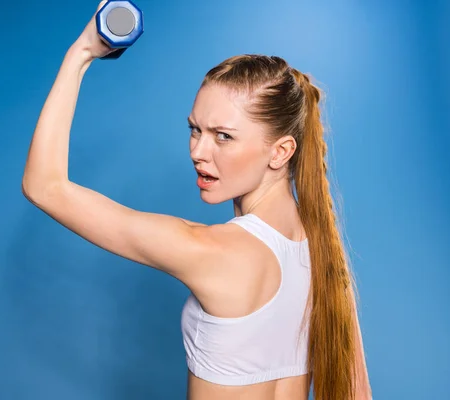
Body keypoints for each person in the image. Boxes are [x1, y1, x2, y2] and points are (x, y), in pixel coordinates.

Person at [22, 2, 372, 399]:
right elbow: (359, 393)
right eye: (195, 130)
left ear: (280, 152)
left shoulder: (213, 251)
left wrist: (81, 53)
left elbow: (45, 186)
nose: (198, 151)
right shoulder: (325, 253)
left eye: (223, 136)